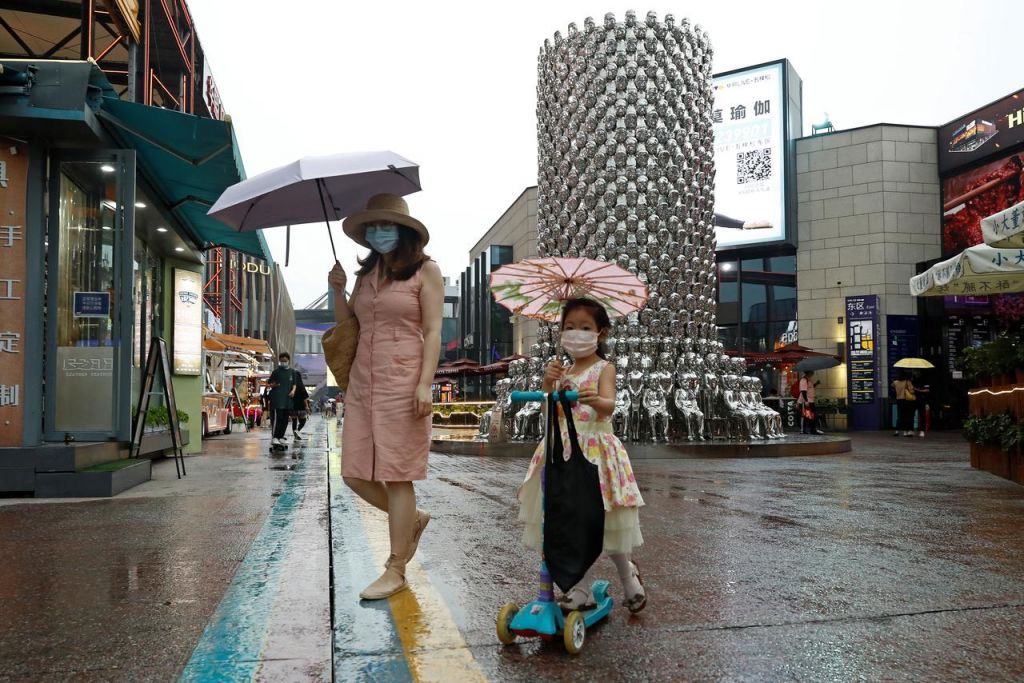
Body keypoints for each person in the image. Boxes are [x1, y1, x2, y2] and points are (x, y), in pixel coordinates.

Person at [325, 193, 443, 601]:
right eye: (371, 227)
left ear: (404, 230)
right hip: (362, 382)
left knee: (397, 472)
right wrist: (337, 290)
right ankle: (412, 520)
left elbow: (433, 331)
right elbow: (349, 326)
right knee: (353, 472)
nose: (378, 233)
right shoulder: (366, 275)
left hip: (403, 380)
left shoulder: (426, 271)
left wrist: (425, 383)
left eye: (385, 226)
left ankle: (396, 568)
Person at [518, 298, 647, 614]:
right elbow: (550, 411)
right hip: (561, 451)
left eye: (585, 328)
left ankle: (627, 574)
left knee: (603, 520)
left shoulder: (605, 368)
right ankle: (580, 588)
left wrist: (595, 399)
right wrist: (548, 384)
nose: (576, 334)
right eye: (570, 327)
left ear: (601, 334)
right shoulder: (562, 372)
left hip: (595, 452)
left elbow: (609, 405)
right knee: (568, 523)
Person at [268, 353, 297, 448]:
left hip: (288, 400)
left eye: (285, 361)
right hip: (278, 400)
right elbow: (270, 383)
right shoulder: (276, 372)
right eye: (282, 361)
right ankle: (275, 437)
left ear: (288, 360)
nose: (283, 362)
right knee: (278, 418)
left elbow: (294, 384)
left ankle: (281, 437)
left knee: (285, 420)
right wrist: (274, 385)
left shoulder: (293, 372)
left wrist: (293, 391)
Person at [797, 370, 823, 435]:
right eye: (812, 372)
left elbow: (809, 388)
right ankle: (803, 430)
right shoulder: (804, 380)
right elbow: (803, 391)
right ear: (808, 372)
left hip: (811, 401)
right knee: (805, 416)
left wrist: (816, 384)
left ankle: (813, 430)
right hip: (805, 402)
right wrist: (806, 401)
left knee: (812, 416)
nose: (813, 373)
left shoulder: (809, 380)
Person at [892, 372, 917, 437]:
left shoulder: (896, 382)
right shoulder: (907, 382)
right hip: (906, 400)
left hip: (899, 400)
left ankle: (897, 431)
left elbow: (892, 385)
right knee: (907, 416)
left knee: (900, 416)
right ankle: (907, 431)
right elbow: (912, 391)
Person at [291, 370, 310, 440]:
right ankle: (297, 430)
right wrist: (307, 407)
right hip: (301, 407)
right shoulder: (301, 386)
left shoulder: (291, 386)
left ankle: (295, 433)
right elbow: (305, 397)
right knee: (303, 421)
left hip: (293, 407)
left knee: (294, 421)